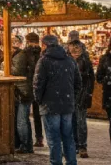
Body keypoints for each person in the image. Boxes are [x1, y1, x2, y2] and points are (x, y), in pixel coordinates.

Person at [34, 34, 81, 165]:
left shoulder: (43, 61)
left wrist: (39, 100)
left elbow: (38, 84)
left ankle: (56, 162)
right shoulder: (70, 60)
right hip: (66, 105)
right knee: (68, 137)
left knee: (54, 139)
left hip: (50, 106)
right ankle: (71, 162)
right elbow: (78, 83)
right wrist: (71, 98)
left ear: (44, 45)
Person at [67, 40, 94, 158]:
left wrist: (87, 94)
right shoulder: (66, 62)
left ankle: (82, 146)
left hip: (81, 95)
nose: (75, 52)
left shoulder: (86, 62)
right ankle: (74, 145)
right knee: (70, 122)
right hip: (69, 96)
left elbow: (91, 80)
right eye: (73, 49)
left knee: (81, 122)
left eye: (78, 49)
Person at [11, 34, 36, 154]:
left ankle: (25, 145)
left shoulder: (20, 56)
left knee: (21, 121)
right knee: (24, 119)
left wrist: (5, 68)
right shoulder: (22, 55)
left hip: (23, 91)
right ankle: (26, 145)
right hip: (25, 91)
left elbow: (16, 71)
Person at [25, 32, 45, 147]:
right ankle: (39, 138)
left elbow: (29, 68)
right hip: (39, 85)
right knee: (37, 114)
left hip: (29, 84)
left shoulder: (27, 52)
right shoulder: (42, 52)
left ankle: (28, 140)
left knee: (26, 114)